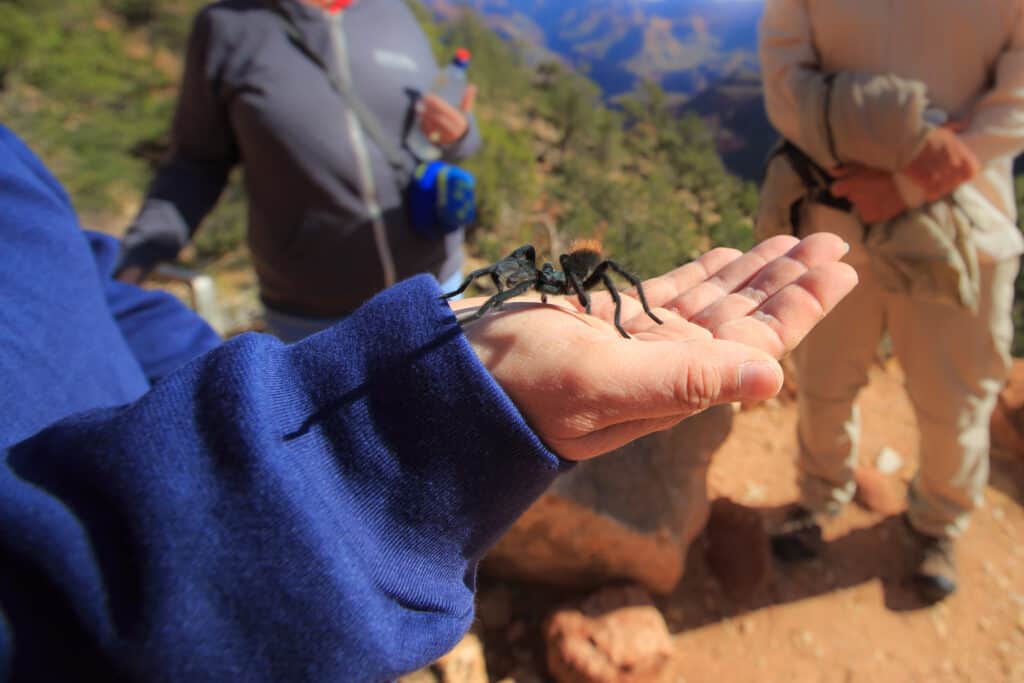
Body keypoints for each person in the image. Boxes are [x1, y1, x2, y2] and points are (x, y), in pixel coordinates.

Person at [0, 124, 857, 680]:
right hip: (170, 563)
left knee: (543, 284)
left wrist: (218, 392)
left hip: (155, 434)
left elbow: (93, 290)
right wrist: (438, 374)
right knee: (508, 287)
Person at [758, 0, 1024, 602]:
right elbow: (783, 87)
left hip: (958, 231)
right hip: (841, 225)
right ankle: (820, 497)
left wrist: (902, 180)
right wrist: (920, 142)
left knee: (955, 400)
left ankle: (936, 524)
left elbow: (1018, 97)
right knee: (825, 381)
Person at [115, 0, 481, 342]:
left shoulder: (394, 12)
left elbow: (445, 126)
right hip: (313, 316)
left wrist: (461, 134)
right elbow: (195, 163)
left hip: (437, 284)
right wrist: (141, 253)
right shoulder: (228, 27)